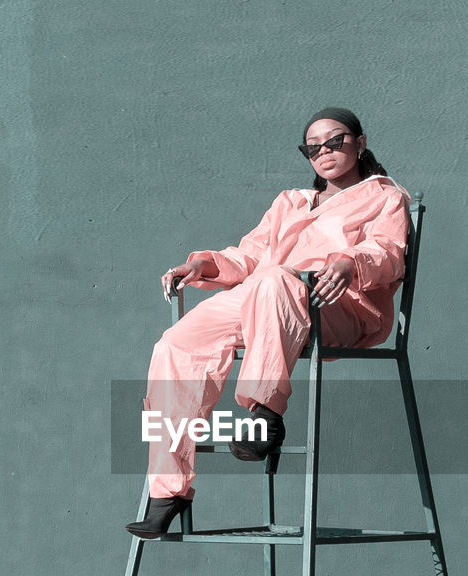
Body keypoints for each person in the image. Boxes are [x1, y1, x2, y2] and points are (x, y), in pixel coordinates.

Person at [126, 107, 411, 538]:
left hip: (337, 307)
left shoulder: (385, 196)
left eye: (335, 141)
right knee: (176, 343)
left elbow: (389, 251)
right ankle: (169, 490)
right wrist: (202, 264)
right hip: (266, 301)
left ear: (360, 142)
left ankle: (263, 412)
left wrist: (351, 261)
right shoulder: (289, 202)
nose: (324, 152)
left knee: (277, 278)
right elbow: (249, 255)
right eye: (313, 147)